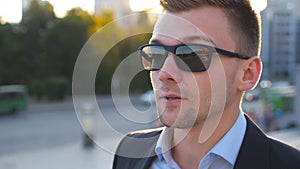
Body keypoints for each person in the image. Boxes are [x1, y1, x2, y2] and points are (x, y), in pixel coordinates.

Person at [113, 0, 300, 169]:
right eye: (156, 53)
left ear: (248, 74)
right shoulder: (129, 151)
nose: (164, 73)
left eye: (192, 55)